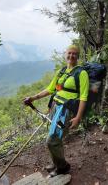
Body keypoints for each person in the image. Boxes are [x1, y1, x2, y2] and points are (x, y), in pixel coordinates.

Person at [23, 45, 89, 177]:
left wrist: (78, 117)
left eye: (74, 54)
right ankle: (56, 162)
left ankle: (63, 167)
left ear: (78, 56)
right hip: (55, 107)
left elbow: (83, 97)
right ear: (65, 54)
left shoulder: (82, 73)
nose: (71, 56)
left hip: (65, 111)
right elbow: (50, 89)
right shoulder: (62, 71)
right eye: (69, 53)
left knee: (52, 140)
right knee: (55, 138)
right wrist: (33, 98)